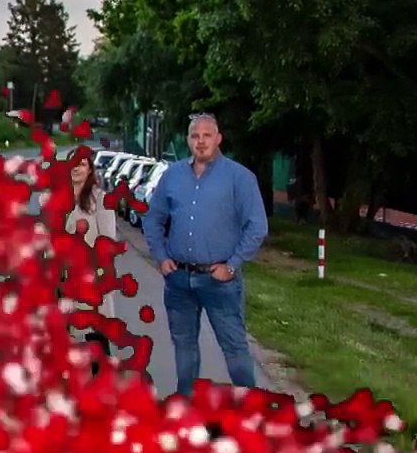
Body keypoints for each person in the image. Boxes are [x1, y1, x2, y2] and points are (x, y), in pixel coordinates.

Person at [142, 113, 269, 396]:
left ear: (218, 139)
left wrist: (232, 265)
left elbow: (257, 226)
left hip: (219, 281)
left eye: (206, 135)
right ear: (188, 140)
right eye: (195, 136)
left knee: (234, 348)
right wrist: (161, 256)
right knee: (184, 346)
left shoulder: (239, 177)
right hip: (178, 279)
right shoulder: (172, 175)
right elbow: (153, 220)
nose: (200, 141)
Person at [63, 147, 118, 359]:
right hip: (64, 280)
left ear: (90, 170)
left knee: (95, 340)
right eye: (73, 163)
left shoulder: (100, 200)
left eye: (82, 164)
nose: (76, 168)